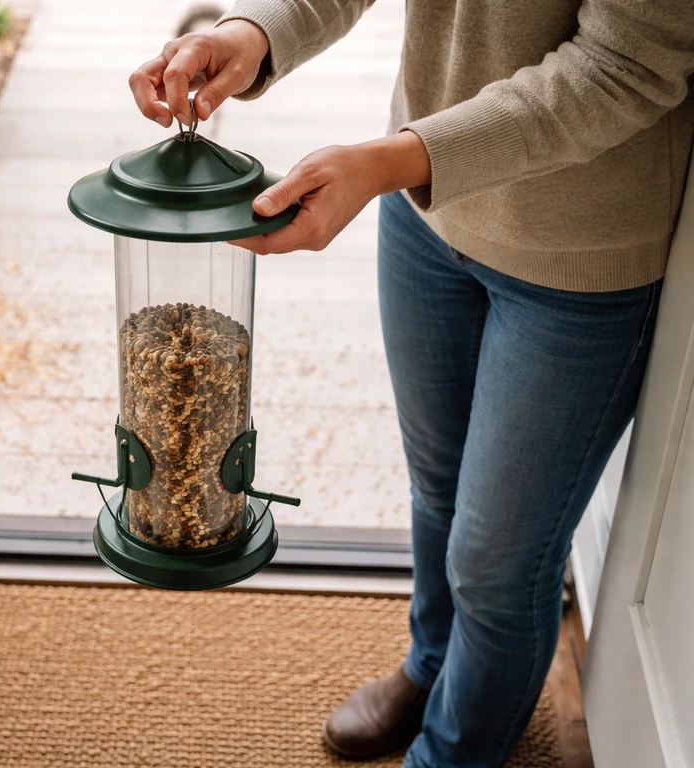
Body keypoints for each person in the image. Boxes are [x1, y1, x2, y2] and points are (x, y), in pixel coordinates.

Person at [129, 2, 694, 766]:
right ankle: (433, 666)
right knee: (437, 488)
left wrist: (391, 161)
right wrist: (250, 35)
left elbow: (626, 66)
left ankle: (455, 750)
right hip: (427, 218)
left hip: (578, 258)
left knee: (497, 562)